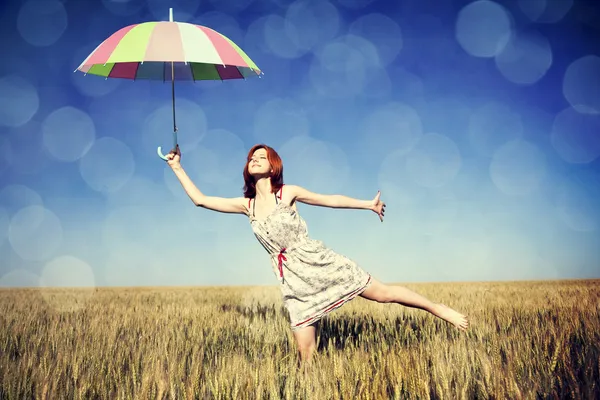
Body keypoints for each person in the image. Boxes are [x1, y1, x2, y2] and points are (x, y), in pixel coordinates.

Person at [166, 143, 469, 364]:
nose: (254, 160)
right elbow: (201, 200)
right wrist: (177, 167)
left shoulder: (288, 192)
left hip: (318, 261)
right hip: (292, 280)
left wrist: (368, 204)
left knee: (382, 293)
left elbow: (330, 200)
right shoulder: (247, 206)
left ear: (273, 167)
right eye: (251, 158)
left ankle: (437, 309)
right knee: (306, 355)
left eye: (262, 157)